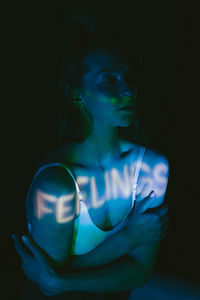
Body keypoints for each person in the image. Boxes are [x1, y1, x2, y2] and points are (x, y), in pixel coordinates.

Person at [13, 30, 170, 299]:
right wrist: (127, 240)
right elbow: (46, 286)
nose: (127, 90)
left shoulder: (151, 169)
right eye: (108, 79)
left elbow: (139, 271)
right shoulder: (56, 185)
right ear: (76, 94)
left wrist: (62, 280)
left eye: (129, 78)